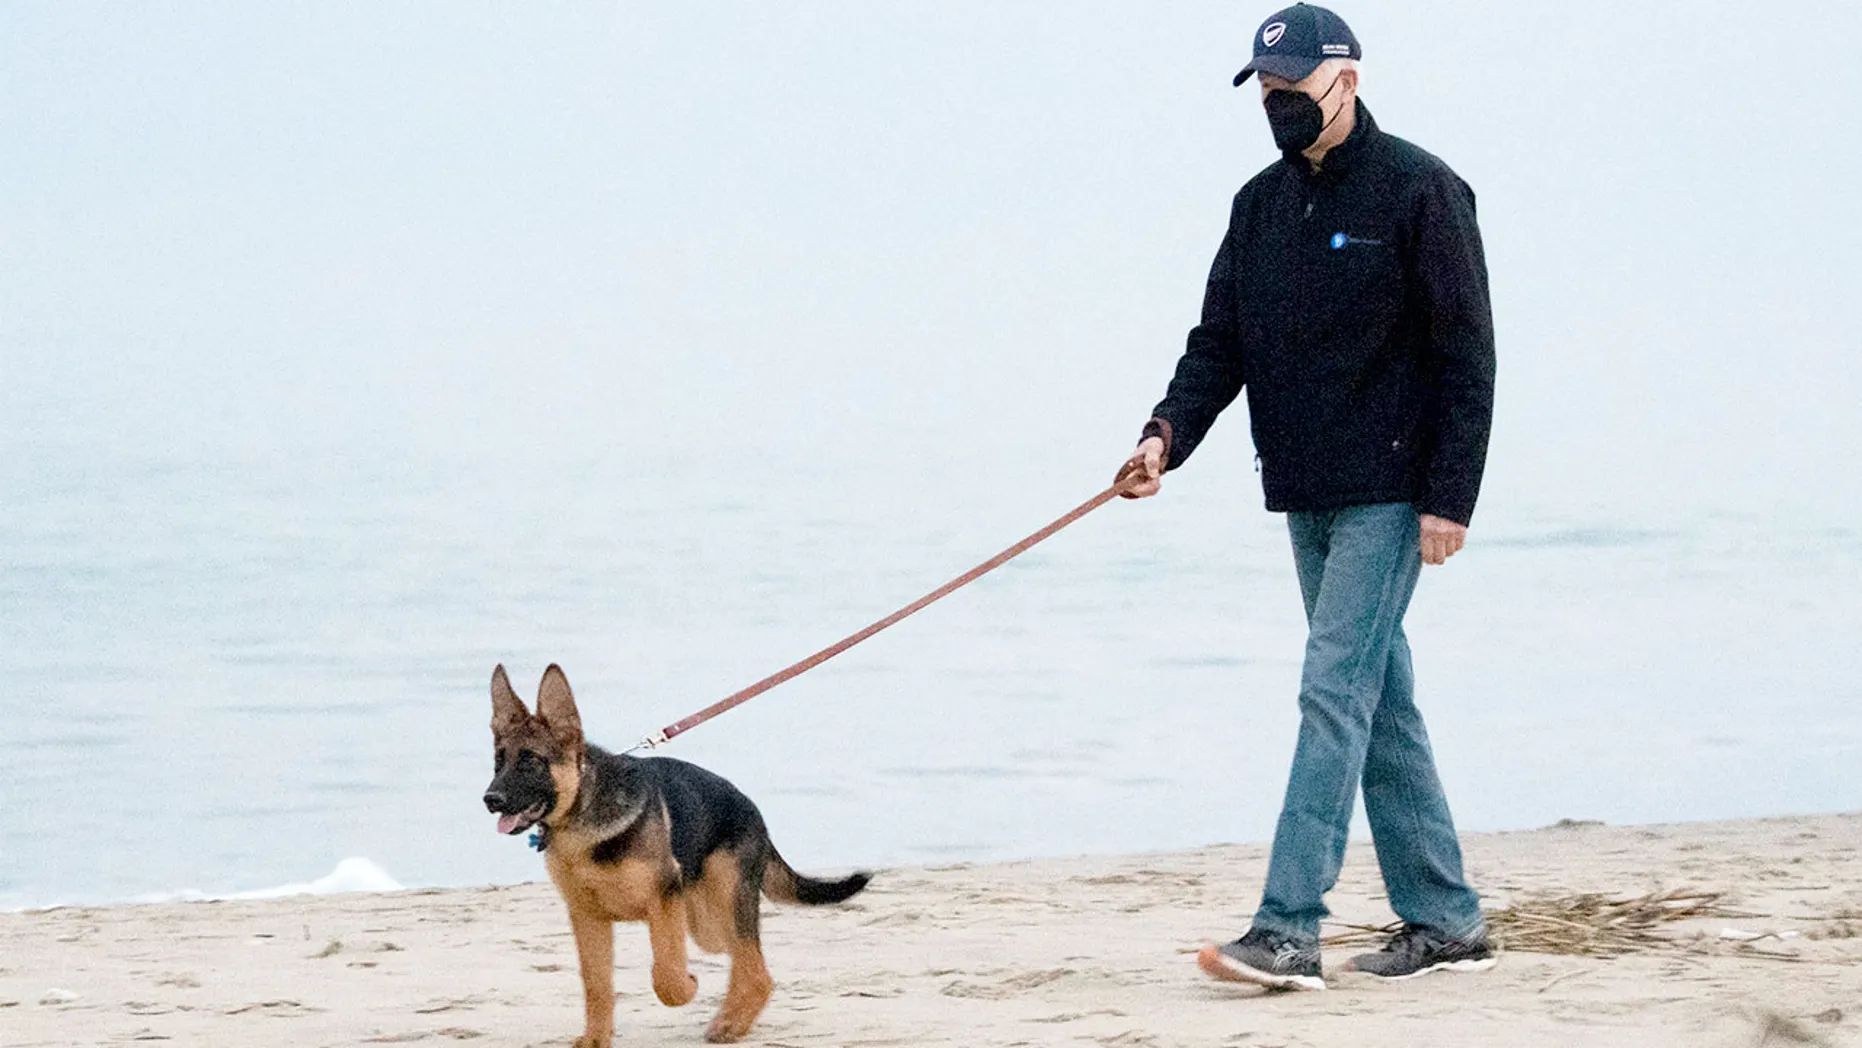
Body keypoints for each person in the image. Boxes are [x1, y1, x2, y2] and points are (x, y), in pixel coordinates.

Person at [1120, 3, 1498, 990]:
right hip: (1303, 492)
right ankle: (1445, 916)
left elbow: (1467, 356)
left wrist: (1448, 497)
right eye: (1268, 94)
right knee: (1378, 702)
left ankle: (1286, 926)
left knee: (1331, 693)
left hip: (1389, 489)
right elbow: (1218, 347)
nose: (1280, 107)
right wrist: (1163, 438)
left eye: (1295, 89)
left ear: (1348, 81)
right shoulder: (1256, 207)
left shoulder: (1419, 189)